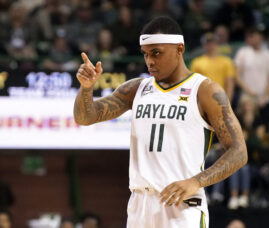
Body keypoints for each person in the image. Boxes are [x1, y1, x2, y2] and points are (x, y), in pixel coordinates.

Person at [73, 16, 247, 228]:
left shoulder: (205, 90)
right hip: (139, 203)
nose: (150, 61)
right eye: (146, 54)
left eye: (157, 52)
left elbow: (239, 151)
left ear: (179, 48)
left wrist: (196, 181)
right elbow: (85, 117)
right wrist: (86, 88)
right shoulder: (136, 88)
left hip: (182, 205)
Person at [190, 32, 235, 102]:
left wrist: (228, 101)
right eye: (208, 43)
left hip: (221, 98)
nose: (210, 45)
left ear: (217, 44)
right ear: (204, 45)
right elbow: (194, 84)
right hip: (203, 98)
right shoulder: (196, 62)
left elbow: (229, 83)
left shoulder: (226, 61)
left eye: (213, 43)